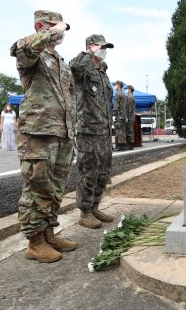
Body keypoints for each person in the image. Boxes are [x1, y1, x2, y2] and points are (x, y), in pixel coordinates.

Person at [9, 10, 77, 263]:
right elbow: (23, 47)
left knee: (55, 188)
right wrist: (55, 28)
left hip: (62, 133)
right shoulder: (31, 54)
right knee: (36, 188)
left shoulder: (61, 61)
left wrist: (73, 128)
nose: (61, 32)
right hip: (38, 132)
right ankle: (35, 242)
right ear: (41, 26)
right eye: (54, 26)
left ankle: (49, 233)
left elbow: (69, 97)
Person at [70, 34, 115, 229]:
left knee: (103, 172)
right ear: (90, 47)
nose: (104, 49)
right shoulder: (83, 68)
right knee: (88, 172)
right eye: (100, 46)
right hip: (88, 131)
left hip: (104, 131)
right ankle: (85, 212)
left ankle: (95, 206)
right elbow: (73, 66)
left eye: (105, 47)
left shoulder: (103, 72)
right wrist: (89, 53)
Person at [113, 80, 127, 151]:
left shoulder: (118, 94)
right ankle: (123, 145)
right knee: (123, 131)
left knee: (119, 131)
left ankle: (120, 146)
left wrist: (114, 114)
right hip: (123, 115)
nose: (115, 86)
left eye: (115, 84)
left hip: (119, 115)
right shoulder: (123, 94)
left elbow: (116, 105)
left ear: (118, 85)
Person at [125, 84, 136, 150]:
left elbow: (129, 108)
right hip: (130, 116)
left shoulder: (130, 97)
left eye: (127, 88)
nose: (126, 90)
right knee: (129, 130)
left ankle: (130, 145)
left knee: (129, 131)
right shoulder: (130, 96)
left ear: (130, 89)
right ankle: (130, 144)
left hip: (129, 116)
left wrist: (127, 116)